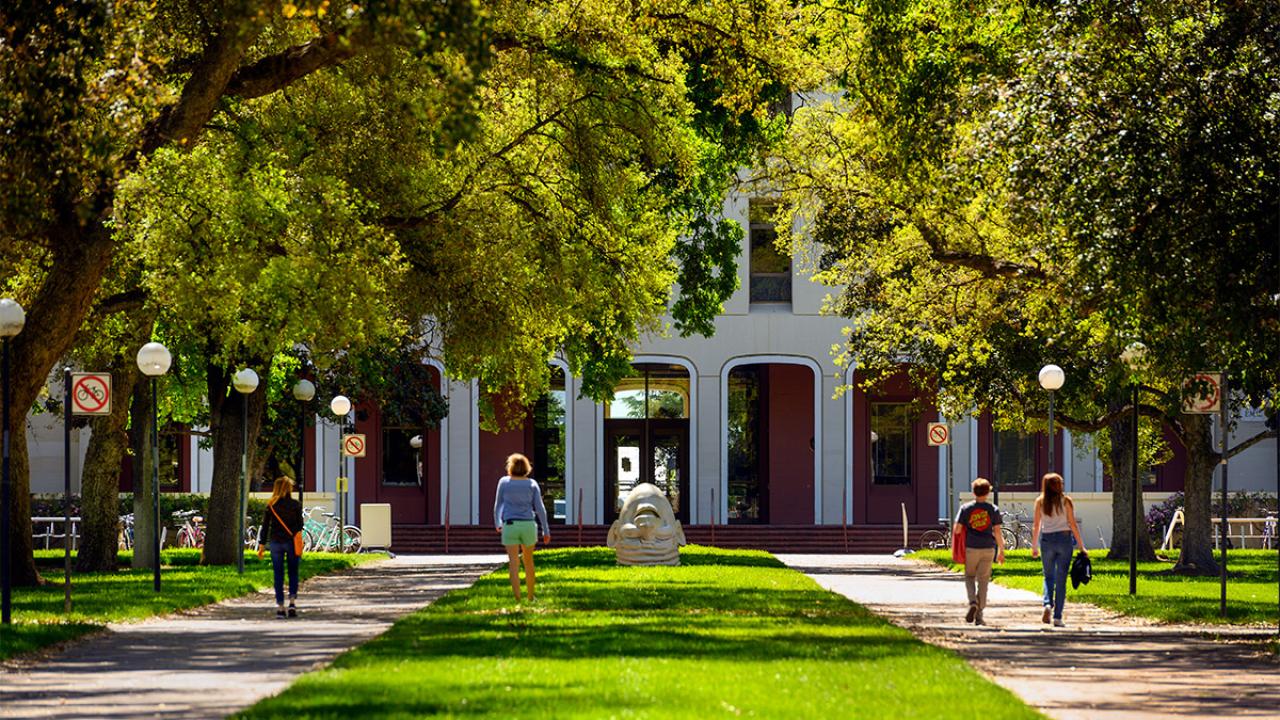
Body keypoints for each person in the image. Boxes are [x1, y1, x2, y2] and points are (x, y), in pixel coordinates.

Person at [1030, 472, 1088, 627]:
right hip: (1064, 539)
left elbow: (1036, 525)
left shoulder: (1040, 501)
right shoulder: (1066, 501)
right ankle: (1057, 617)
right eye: (1061, 483)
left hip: (1047, 540)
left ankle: (1047, 604)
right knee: (1061, 580)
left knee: (1048, 576)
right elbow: (1072, 524)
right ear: (1058, 486)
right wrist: (1081, 545)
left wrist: (1034, 545)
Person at [493, 453, 551, 601]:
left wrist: (498, 522)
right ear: (527, 467)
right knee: (528, 561)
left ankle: (517, 598)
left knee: (514, 563)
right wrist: (545, 530)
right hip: (528, 525)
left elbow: (498, 505)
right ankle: (530, 596)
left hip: (510, 525)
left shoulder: (504, 482)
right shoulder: (532, 484)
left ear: (510, 466)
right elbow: (540, 508)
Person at [954, 477, 1005, 625]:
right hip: (988, 548)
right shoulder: (993, 509)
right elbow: (997, 532)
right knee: (983, 580)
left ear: (974, 492)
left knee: (970, 577)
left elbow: (957, 529)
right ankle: (979, 614)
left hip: (971, 547)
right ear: (988, 492)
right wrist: (1001, 550)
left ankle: (972, 602)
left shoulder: (966, 508)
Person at [257, 476, 304, 618]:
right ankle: (292, 603)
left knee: (278, 574)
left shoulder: (271, 505)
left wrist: (261, 544)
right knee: (293, 572)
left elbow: (265, 526)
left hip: (276, 542)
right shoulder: (295, 505)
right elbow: (300, 525)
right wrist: (292, 532)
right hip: (291, 542)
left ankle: (280, 607)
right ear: (289, 488)